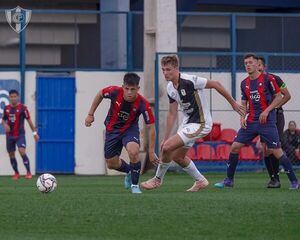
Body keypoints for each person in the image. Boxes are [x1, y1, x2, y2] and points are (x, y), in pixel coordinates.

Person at [141, 55, 245, 192]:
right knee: (177, 156)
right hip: (188, 123)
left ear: (176, 68)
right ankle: (200, 180)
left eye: (168, 70)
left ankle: (157, 179)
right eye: (163, 70)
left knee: (167, 148)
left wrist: (233, 103)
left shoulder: (189, 80)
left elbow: (216, 84)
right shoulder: (170, 88)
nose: (165, 73)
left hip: (201, 122)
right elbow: (172, 113)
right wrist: (165, 137)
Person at [214, 53, 299, 190]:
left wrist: (267, 111)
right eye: (246, 63)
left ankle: (294, 181)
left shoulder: (269, 79)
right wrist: (242, 118)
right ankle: (229, 180)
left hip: (267, 122)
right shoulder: (244, 83)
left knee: (276, 151)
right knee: (234, 147)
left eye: (250, 62)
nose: (248, 65)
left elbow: (278, 97)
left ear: (257, 64)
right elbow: (244, 103)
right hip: (251, 122)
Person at [85, 73, 158, 194]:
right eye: (127, 88)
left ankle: (135, 186)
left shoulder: (143, 104)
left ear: (138, 89)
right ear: (123, 86)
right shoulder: (114, 91)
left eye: (133, 89)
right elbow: (100, 94)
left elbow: (151, 127)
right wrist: (90, 114)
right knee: (111, 164)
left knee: (133, 151)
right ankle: (129, 170)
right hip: (112, 130)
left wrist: (151, 151)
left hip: (130, 130)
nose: (129, 92)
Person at [257, 56, 291, 188]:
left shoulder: (275, 79)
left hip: (276, 116)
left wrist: (275, 107)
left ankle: (287, 179)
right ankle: (273, 179)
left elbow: (287, 95)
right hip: (262, 117)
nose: (257, 67)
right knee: (266, 150)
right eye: (256, 65)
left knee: (274, 147)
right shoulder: (251, 82)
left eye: (260, 65)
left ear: (264, 67)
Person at [2, 89, 39, 180]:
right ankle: (16, 173)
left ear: (18, 97)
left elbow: (29, 121)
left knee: (21, 151)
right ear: (9, 97)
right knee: (11, 154)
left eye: (15, 96)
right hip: (9, 136)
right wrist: (5, 124)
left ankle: (28, 172)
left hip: (20, 135)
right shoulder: (6, 108)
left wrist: (34, 133)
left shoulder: (23, 108)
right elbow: (3, 119)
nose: (13, 98)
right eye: (11, 97)